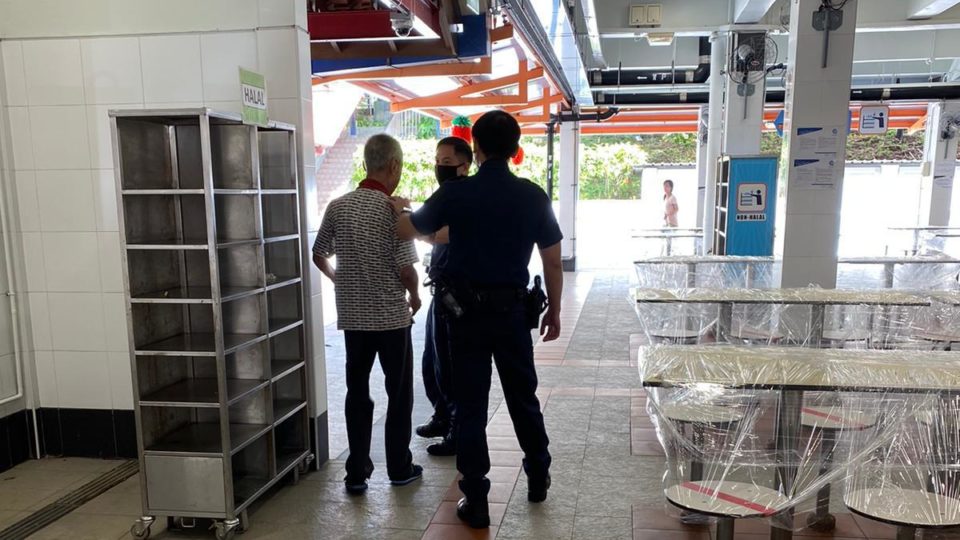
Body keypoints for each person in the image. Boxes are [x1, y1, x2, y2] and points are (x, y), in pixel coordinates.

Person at [394, 111, 564, 529]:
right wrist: (555, 310)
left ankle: (476, 497)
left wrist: (395, 208)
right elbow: (553, 262)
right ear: (515, 148)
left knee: (470, 404)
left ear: (478, 146)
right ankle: (538, 474)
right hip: (512, 315)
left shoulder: (456, 193)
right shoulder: (533, 195)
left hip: (465, 316)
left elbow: (408, 230)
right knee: (523, 396)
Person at [312, 133, 423, 495]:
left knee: (356, 392)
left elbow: (319, 253)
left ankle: (356, 473)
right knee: (399, 393)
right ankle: (399, 467)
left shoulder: (339, 206)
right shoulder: (394, 211)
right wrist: (415, 295)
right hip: (391, 320)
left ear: (365, 165)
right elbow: (407, 269)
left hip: (354, 323)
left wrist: (339, 281)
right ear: (393, 166)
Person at [415, 137, 473, 457]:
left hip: (457, 293)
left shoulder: (467, 197)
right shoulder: (444, 194)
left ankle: (456, 428)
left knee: (450, 363)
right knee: (432, 359)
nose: (441, 167)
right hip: (439, 288)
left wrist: (413, 224)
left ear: (465, 165)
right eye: (438, 161)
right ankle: (441, 414)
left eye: (447, 162)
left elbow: (441, 233)